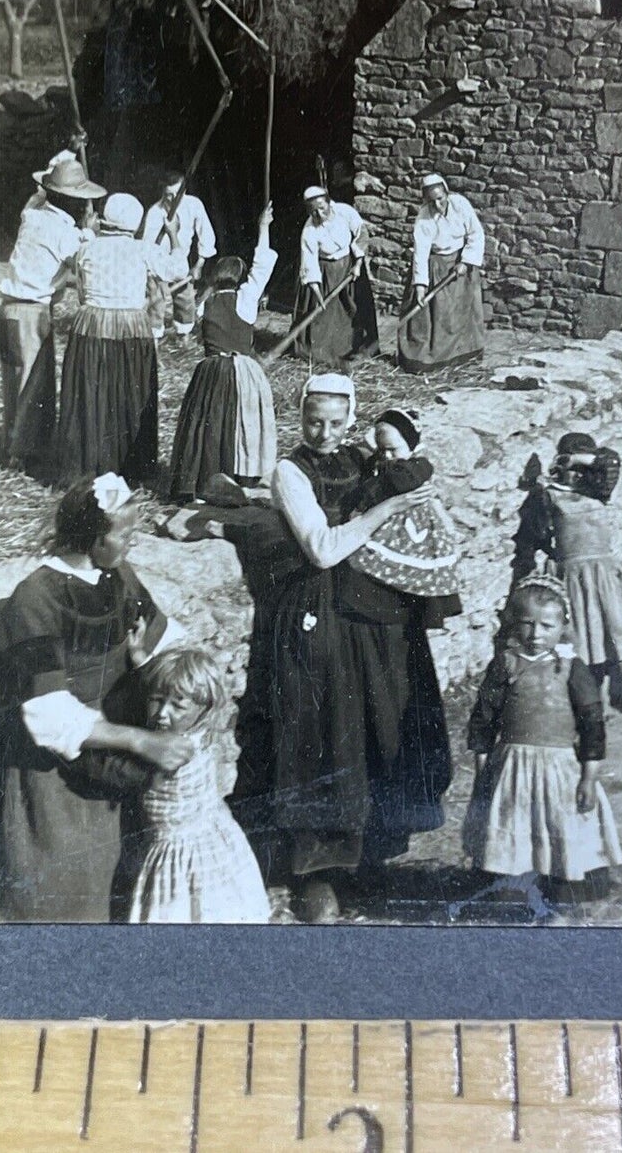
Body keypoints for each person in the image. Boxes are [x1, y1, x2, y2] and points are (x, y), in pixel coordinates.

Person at [231, 373, 452, 923]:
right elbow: (323, 549)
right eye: (313, 421)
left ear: (352, 418)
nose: (324, 433)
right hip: (319, 612)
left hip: (370, 611)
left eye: (335, 422)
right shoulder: (289, 471)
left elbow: (415, 476)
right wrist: (383, 512)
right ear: (300, 417)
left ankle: (369, 856)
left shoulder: (364, 458)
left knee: (377, 725)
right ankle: (314, 872)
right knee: (320, 733)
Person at [0, 475, 191, 921]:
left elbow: (161, 636)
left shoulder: (116, 576)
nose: (133, 542)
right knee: (55, 890)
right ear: (92, 538)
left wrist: (145, 663)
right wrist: (141, 742)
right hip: (50, 772)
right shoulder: (34, 601)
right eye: (126, 534)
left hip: (108, 758)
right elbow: (51, 715)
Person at [462, 572, 622, 915]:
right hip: (512, 768)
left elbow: (593, 725)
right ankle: (514, 888)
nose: (536, 635)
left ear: (563, 625)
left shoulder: (571, 668)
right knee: (514, 827)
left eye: (547, 626)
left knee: (560, 824)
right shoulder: (504, 665)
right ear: (512, 623)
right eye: (527, 624)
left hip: (560, 769)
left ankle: (563, 888)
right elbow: (484, 721)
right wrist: (483, 773)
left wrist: (589, 777)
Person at [126, 649, 273, 924]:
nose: (162, 713)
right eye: (156, 701)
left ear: (204, 710)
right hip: (213, 835)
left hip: (182, 852)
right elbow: (168, 688)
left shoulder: (175, 749)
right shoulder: (198, 728)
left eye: (177, 707)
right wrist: (142, 660)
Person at [511, 433, 622, 700]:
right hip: (572, 575)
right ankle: (582, 703)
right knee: (580, 640)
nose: (577, 474)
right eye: (572, 467)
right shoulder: (550, 496)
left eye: (582, 468)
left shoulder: (598, 489)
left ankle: (604, 700)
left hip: (603, 574)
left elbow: (611, 463)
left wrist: (580, 460)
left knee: (608, 636)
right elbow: (536, 534)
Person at [56, 191, 176, 486]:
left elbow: (82, 293)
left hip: (92, 323)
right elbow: (177, 270)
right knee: (128, 393)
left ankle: (89, 463)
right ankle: (129, 467)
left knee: (92, 391)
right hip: (130, 325)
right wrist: (173, 237)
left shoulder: (86, 249)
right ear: (133, 223)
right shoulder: (143, 250)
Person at [0, 150, 100, 479]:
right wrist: (90, 231)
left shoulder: (32, 214)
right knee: (32, 383)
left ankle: (16, 442)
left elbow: (40, 192)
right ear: (70, 201)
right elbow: (86, 262)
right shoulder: (66, 233)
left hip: (7, 309)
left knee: (14, 378)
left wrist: (68, 150)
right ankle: (21, 454)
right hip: (32, 310)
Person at [168, 205, 279, 502]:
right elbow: (263, 264)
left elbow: (188, 317)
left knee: (208, 423)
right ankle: (239, 476)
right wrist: (264, 227)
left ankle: (203, 479)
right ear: (240, 277)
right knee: (242, 423)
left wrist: (173, 238)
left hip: (209, 371)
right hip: (242, 370)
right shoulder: (246, 298)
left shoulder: (205, 301)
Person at [347, 408, 463, 627]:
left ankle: (423, 607)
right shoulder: (384, 465)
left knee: (417, 565)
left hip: (412, 527)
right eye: (382, 450)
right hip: (392, 523)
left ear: (410, 446)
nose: (387, 456)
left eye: (393, 449)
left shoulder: (416, 467)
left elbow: (398, 482)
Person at [398, 173, 487, 373]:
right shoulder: (424, 218)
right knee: (436, 314)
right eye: (432, 201)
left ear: (447, 193)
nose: (437, 205)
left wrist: (465, 261)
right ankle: (429, 360)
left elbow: (475, 233)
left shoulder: (461, 205)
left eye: (440, 198)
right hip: (436, 264)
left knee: (461, 312)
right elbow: (420, 253)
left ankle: (464, 355)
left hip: (461, 262)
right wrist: (420, 286)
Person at [294, 185, 377, 366]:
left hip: (350, 266)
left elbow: (361, 234)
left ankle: (360, 347)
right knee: (326, 316)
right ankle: (327, 352)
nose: (320, 215)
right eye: (314, 212)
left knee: (355, 308)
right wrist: (317, 293)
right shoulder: (309, 230)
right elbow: (309, 261)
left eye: (322, 208)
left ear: (329, 202)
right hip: (326, 272)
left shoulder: (345, 212)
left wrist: (358, 264)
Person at [141, 169, 218, 342]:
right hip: (159, 264)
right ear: (162, 191)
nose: (174, 199)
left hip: (181, 263)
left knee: (186, 300)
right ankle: (153, 338)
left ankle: (184, 335)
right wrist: (151, 272)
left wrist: (199, 264)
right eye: (169, 194)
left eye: (178, 193)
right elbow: (148, 248)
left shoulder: (193, 204)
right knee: (156, 302)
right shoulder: (155, 213)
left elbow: (206, 233)